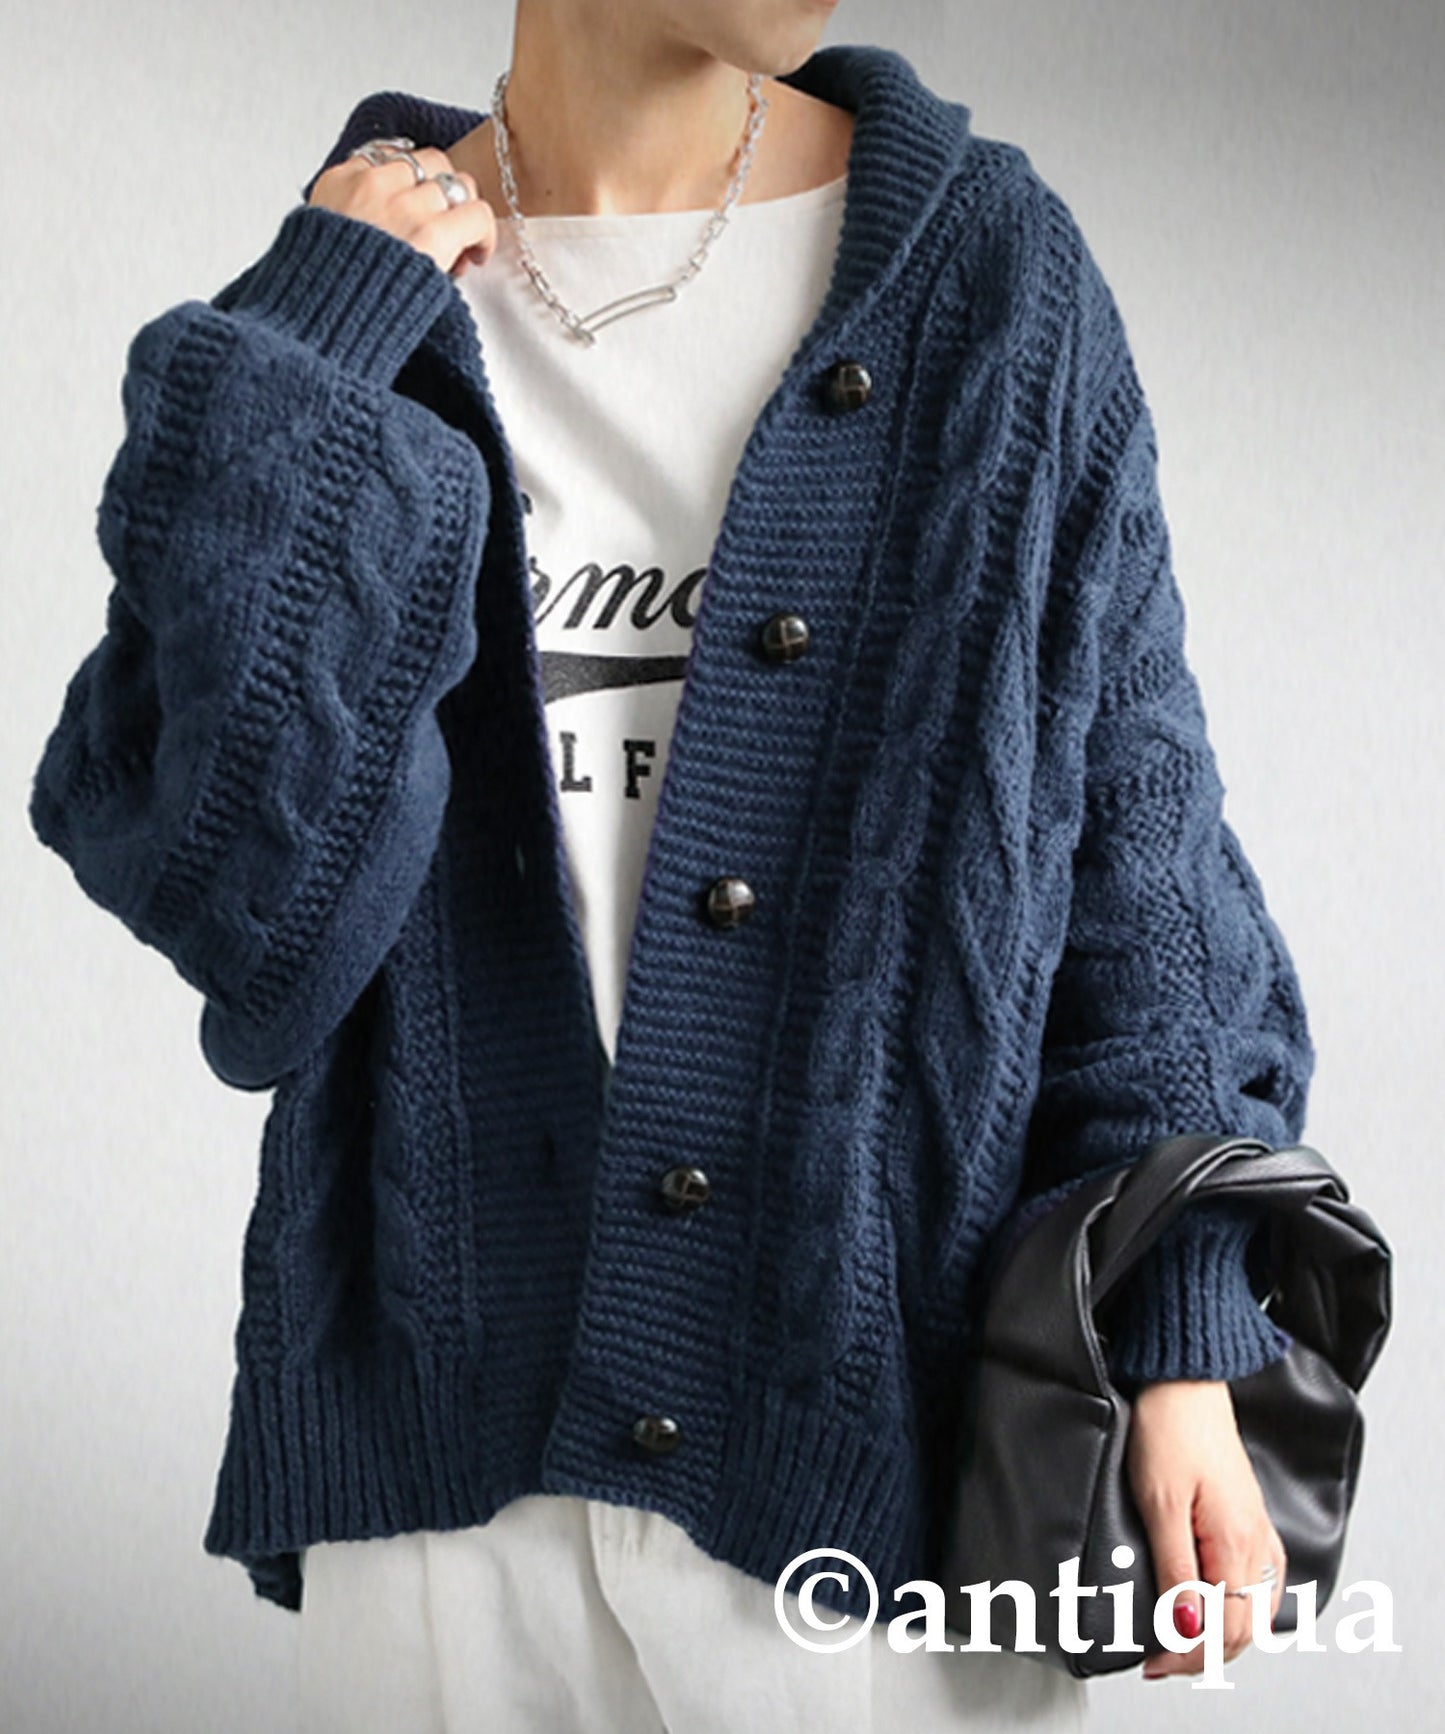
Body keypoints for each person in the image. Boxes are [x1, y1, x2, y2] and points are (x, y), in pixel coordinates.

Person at [28, 0, 1313, 1727]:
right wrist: (313, 352)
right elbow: (226, 897)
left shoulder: (988, 278)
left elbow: (1139, 861)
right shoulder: (348, 303)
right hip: (444, 1482)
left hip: (864, 1451)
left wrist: (1178, 1334)